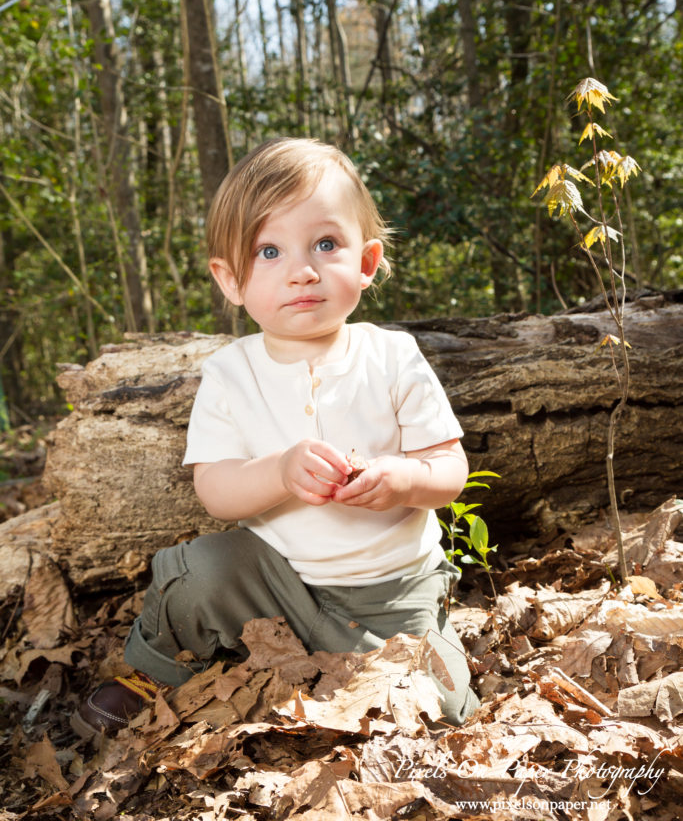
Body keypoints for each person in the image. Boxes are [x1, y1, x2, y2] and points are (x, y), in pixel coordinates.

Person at [72, 138, 478, 740]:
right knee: (200, 574)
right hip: (275, 582)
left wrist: (402, 480)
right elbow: (216, 490)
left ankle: (340, 676)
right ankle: (154, 668)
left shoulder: (392, 355)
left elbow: (449, 467)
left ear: (366, 263)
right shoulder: (231, 371)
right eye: (269, 251)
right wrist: (281, 471)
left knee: (443, 707)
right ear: (230, 279)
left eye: (326, 244)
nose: (302, 269)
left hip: (391, 596)